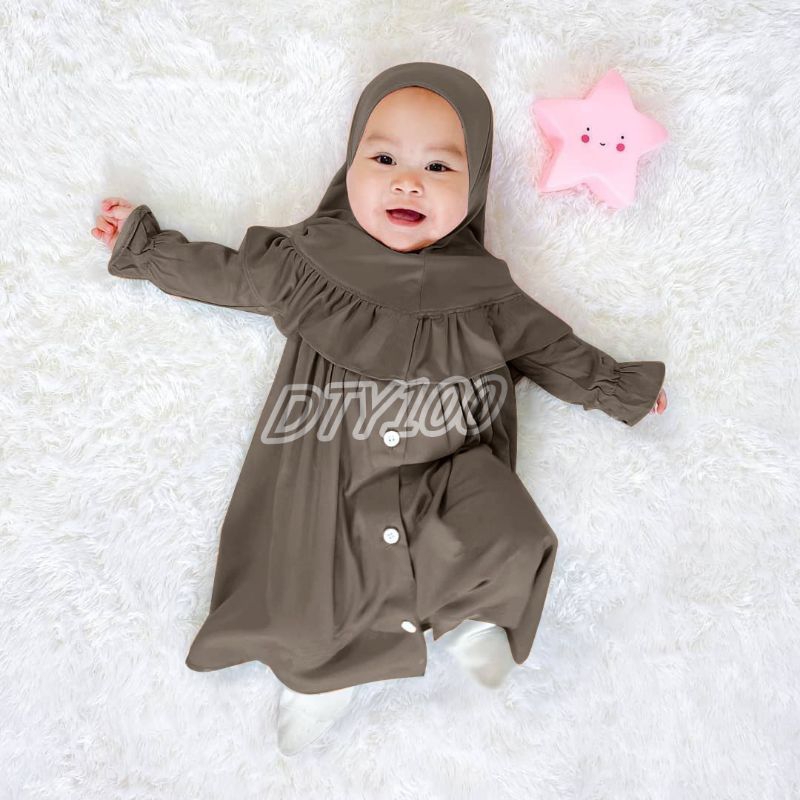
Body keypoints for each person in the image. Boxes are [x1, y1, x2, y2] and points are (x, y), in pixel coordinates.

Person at [92, 62, 667, 757]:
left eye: (439, 167)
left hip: (443, 467)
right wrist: (145, 247)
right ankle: (317, 683)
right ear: (350, 166)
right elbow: (224, 274)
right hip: (331, 470)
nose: (408, 181)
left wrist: (617, 387)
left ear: (474, 186)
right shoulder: (310, 264)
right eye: (385, 158)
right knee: (314, 586)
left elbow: (552, 349)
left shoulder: (487, 294)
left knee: (502, 524)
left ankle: (475, 615)